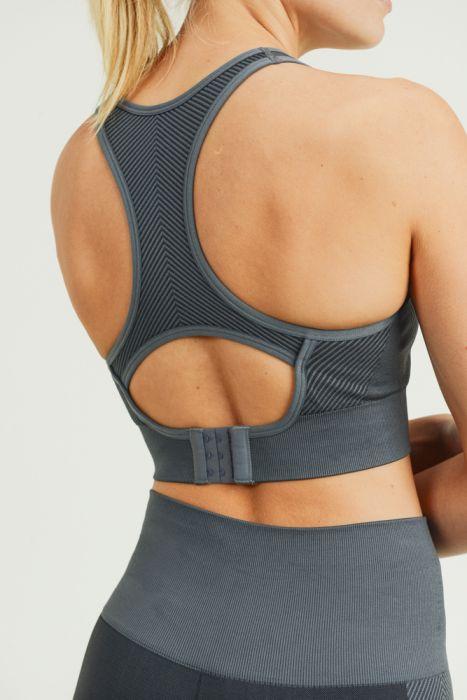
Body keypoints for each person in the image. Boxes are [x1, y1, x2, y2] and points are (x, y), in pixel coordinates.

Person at [51, 0, 467, 697]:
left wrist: (376, 467)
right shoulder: (398, 129)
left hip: (137, 656)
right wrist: (373, 504)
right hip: (350, 666)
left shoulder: (82, 164)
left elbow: (255, 450)